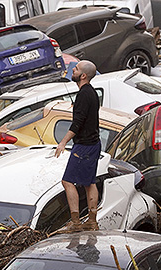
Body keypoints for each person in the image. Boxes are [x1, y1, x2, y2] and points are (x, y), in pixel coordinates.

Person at [54, 60, 100, 232]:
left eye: (76, 69)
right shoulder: (92, 93)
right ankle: (92, 221)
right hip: (94, 144)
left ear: (83, 76)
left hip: (84, 146)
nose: (72, 69)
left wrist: (63, 142)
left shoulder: (83, 95)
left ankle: (75, 223)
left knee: (67, 181)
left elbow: (77, 123)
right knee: (89, 182)